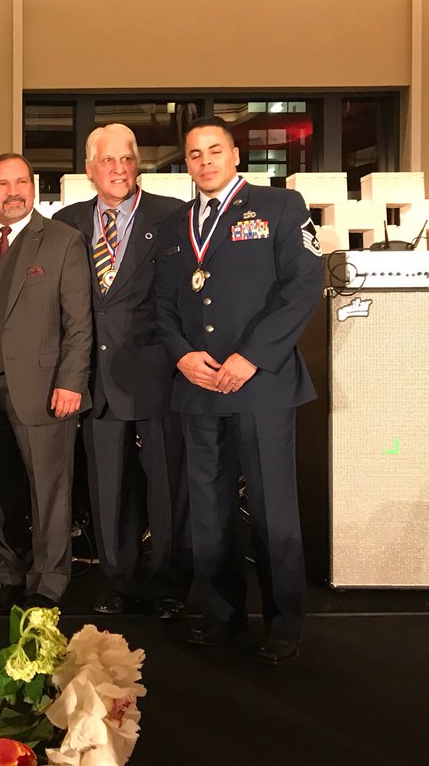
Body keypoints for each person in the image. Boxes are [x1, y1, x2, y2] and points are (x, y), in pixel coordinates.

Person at [155, 115, 323, 665]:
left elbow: (304, 286)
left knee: (273, 508)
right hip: (199, 383)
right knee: (208, 510)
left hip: (261, 383)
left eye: (214, 150)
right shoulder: (175, 225)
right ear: (186, 164)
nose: (204, 161)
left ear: (235, 155)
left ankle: (284, 622)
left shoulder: (280, 207)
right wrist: (182, 354)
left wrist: (252, 356)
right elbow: (163, 303)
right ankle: (220, 613)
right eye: (194, 154)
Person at [55, 123, 191, 619]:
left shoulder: (173, 216)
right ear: (89, 169)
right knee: (107, 490)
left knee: (167, 490)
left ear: (138, 165)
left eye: (127, 159)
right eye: (108, 160)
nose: (118, 169)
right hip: (97, 379)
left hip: (159, 374)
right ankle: (119, 581)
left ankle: (169, 584)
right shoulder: (67, 222)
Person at [0, 153, 92, 609]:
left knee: (49, 492)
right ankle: (10, 574)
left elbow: (79, 322)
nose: (14, 192)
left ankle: (49, 581)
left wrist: (71, 382)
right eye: (3, 184)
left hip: (44, 390)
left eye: (21, 181)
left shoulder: (63, 240)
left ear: (34, 186)